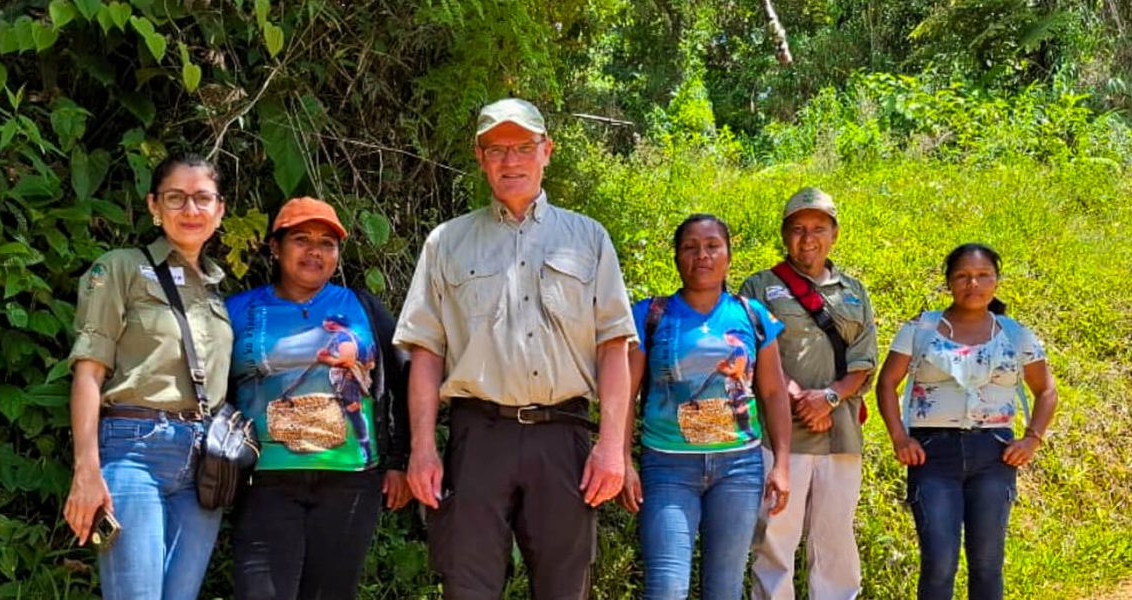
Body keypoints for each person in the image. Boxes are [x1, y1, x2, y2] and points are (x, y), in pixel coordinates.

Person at [394, 98, 638, 599]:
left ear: (546, 151)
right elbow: (425, 352)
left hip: (563, 439)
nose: (511, 161)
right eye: (497, 149)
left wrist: (612, 446)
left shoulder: (588, 238)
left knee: (564, 588)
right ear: (480, 158)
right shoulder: (447, 243)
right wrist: (421, 449)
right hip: (477, 438)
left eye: (524, 147)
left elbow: (614, 347)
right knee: (468, 585)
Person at [62, 153, 231, 599]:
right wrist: (86, 470)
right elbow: (88, 371)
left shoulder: (216, 288)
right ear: (154, 206)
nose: (190, 210)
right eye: (176, 198)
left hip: (203, 467)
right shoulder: (120, 267)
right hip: (134, 451)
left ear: (220, 209)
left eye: (202, 198)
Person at [225, 197, 412, 599]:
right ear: (275, 247)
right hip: (264, 482)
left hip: (351, 482)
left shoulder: (362, 307)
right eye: (301, 239)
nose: (315, 251)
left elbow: (405, 380)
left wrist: (399, 461)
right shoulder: (237, 310)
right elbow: (212, 392)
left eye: (327, 243)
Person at [618, 214, 792, 600]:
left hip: (739, 469)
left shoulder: (752, 315)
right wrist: (623, 460)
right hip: (667, 467)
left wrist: (781, 463)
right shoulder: (650, 315)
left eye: (713, 245)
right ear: (677, 257)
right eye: (690, 247)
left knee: (725, 589)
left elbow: (774, 393)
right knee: (666, 588)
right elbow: (623, 394)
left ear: (729, 255)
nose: (702, 255)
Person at [875, 243, 1057, 600]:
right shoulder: (921, 327)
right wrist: (899, 438)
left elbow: (1046, 389)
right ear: (948, 282)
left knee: (988, 563)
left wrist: (1032, 439)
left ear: (996, 281)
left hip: (994, 456)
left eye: (983, 275)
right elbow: (886, 382)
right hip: (932, 455)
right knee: (939, 564)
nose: (973, 283)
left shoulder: (1014, 334)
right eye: (962, 276)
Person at [740, 187, 878, 600]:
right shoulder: (760, 287)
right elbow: (751, 350)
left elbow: (864, 360)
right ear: (785, 236)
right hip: (781, 438)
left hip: (840, 435)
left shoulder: (854, 291)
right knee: (775, 539)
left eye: (818, 228)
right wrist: (797, 395)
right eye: (797, 228)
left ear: (834, 233)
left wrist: (829, 398)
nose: (808, 237)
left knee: (835, 540)